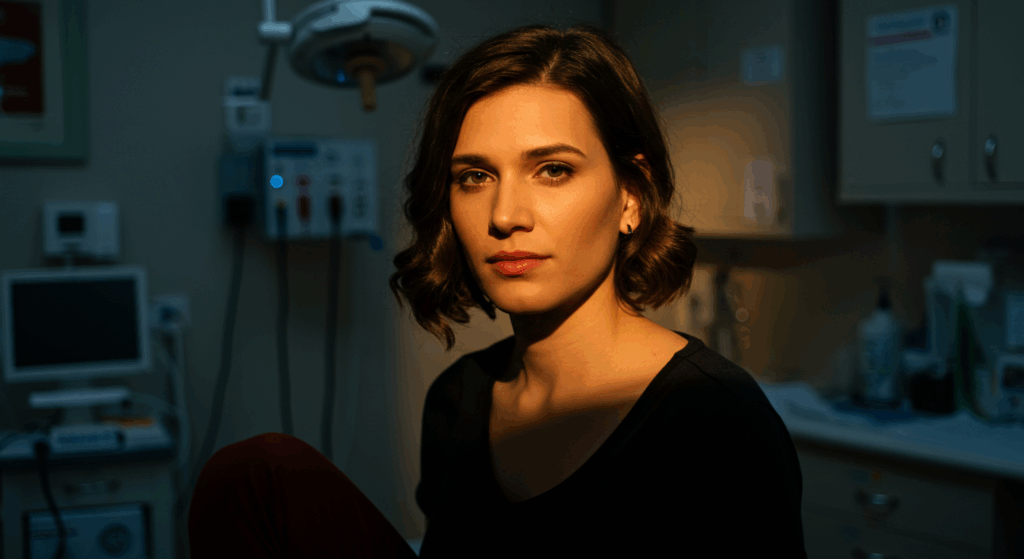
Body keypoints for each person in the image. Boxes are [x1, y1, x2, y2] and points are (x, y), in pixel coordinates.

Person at [189, 22, 807, 558]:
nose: (505, 214)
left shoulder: (714, 418)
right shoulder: (459, 399)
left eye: (553, 170)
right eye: (475, 176)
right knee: (257, 474)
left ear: (631, 197)